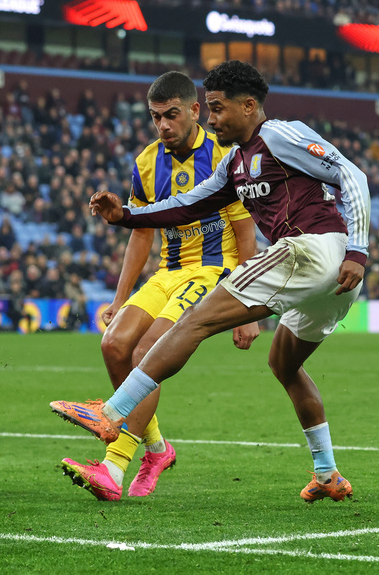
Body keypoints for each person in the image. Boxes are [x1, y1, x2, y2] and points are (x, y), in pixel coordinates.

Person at [51, 61, 370, 503]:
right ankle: (326, 471)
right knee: (284, 364)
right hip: (325, 278)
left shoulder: (278, 134)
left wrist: (359, 249)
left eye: (218, 109)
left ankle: (111, 412)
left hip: (314, 250)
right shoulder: (235, 164)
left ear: (249, 105)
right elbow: (186, 206)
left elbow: (351, 175)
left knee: (194, 322)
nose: (214, 117)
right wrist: (124, 216)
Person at [59, 71, 260, 502]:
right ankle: (157, 449)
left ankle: (114, 466)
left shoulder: (225, 154)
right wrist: (118, 298)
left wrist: (249, 303)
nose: (163, 125)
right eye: (155, 117)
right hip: (167, 272)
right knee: (113, 346)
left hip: (212, 271)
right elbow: (141, 233)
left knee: (142, 351)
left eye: (171, 115)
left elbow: (246, 233)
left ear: (194, 110)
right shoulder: (146, 163)